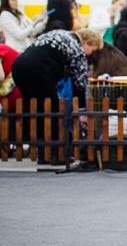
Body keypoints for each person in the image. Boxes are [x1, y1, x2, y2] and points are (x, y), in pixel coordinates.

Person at [12, 27, 97, 164]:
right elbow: (80, 82)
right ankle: (57, 155)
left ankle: (43, 154)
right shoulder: (76, 48)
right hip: (37, 71)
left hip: (18, 66)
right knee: (53, 112)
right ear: (87, 42)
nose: (91, 54)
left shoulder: (58, 33)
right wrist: (82, 110)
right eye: (93, 50)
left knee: (39, 111)